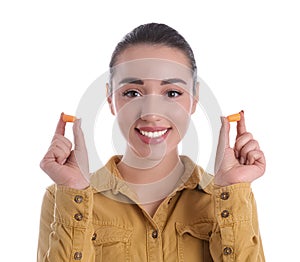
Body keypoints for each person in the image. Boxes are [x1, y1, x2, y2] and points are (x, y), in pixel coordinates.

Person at [37, 23, 266, 261]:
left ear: (195, 98)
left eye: (172, 93)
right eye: (132, 93)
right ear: (110, 99)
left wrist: (232, 186)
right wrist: (74, 191)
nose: (151, 113)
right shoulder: (64, 197)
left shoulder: (230, 197)